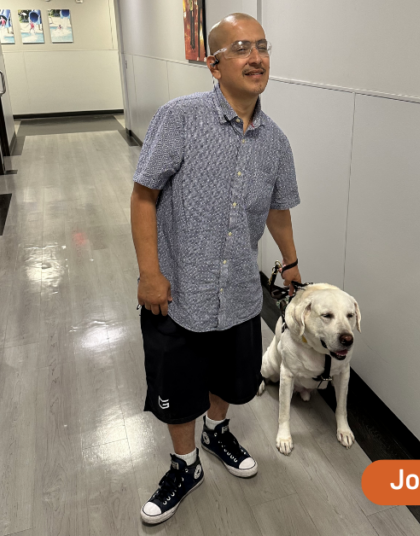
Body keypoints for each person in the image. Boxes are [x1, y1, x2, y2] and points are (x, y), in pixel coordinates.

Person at [129, 13, 301, 525]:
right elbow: (143, 195)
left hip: (241, 292)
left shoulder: (276, 141)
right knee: (179, 388)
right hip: (179, 290)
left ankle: (217, 431)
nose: (256, 57)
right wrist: (149, 274)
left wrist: (291, 265)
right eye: (241, 47)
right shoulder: (179, 118)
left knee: (229, 377)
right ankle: (185, 465)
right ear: (214, 63)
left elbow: (278, 209)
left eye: (263, 47)